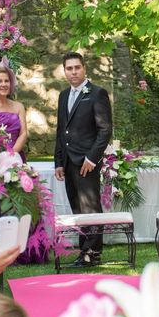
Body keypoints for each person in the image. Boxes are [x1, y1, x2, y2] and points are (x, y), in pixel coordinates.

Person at [54, 51, 113, 267]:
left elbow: (105, 130)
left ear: (84, 68)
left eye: (77, 67)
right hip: (69, 162)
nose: (73, 72)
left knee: (91, 209)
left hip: (87, 163)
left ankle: (93, 253)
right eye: (69, 68)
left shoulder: (97, 93)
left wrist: (92, 158)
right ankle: (84, 252)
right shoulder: (63, 96)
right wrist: (58, 161)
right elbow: (61, 131)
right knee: (78, 210)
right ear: (65, 71)